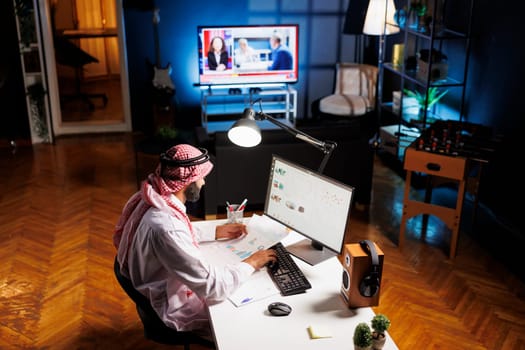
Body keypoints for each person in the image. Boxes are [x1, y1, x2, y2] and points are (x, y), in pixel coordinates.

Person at [113, 144, 277, 339]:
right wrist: (252, 262)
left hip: (153, 286)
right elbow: (213, 287)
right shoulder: (166, 227)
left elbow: (176, 233)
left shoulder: (151, 197)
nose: (203, 182)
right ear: (187, 182)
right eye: (201, 177)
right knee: (252, 318)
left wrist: (214, 231)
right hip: (173, 306)